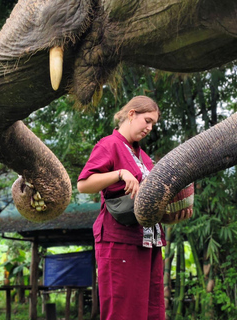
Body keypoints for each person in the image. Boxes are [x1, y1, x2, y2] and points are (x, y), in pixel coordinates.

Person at [77, 95, 193, 320]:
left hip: (148, 243)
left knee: (150, 312)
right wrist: (120, 173)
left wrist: (172, 216)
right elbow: (83, 184)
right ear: (131, 114)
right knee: (123, 313)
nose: (149, 128)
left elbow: (151, 204)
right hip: (119, 242)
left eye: (153, 124)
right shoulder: (109, 145)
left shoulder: (145, 158)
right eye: (147, 120)